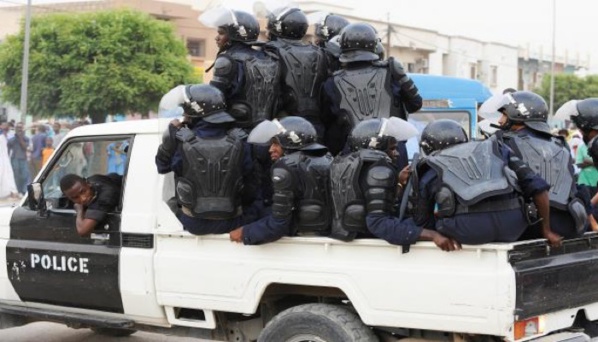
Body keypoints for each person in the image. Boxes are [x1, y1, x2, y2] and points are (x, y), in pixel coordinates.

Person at [407, 119, 561, 246]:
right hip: (514, 228)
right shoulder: (496, 149)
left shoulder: (431, 165)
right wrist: (546, 230)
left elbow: (421, 220)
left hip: (465, 232)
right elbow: (538, 187)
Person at [328, 117, 459, 250]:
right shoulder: (379, 170)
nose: (397, 154)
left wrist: (399, 184)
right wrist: (432, 235)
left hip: (349, 235)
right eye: (392, 149)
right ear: (376, 146)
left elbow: (370, 203)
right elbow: (378, 223)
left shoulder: (349, 164)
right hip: (369, 241)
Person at [483, 91, 590, 238]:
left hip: (526, 226)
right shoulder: (560, 143)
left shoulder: (503, 141)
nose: (501, 121)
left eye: (504, 115)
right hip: (568, 223)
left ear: (519, 114)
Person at [155, 84, 258, 235]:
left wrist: (169, 137)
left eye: (186, 111)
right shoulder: (241, 140)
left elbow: (162, 167)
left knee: (170, 203)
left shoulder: (181, 142)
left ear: (195, 111)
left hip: (192, 223)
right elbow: (251, 183)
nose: (184, 116)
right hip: (233, 222)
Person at [322, 22, 422, 160]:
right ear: (374, 44)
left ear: (343, 46)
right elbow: (416, 104)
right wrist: (401, 76)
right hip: (393, 151)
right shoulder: (391, 72)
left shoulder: (331, 82)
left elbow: (330, 129)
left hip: (354, 155)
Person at [230, 116, 333, 245]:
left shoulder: (285, 167)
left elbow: (278, 224)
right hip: (325, 233)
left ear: (290, 142)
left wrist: (246, 232)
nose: (270, 149)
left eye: (275, 143)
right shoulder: (327, 159)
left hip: (301, 240)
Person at [200, 8, 281, 129]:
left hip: (237, 132)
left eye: (221, 33)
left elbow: (213, 100)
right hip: (267, 131)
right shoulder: (270, 57)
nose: (216, 38)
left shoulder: (226, 61)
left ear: (235, 35)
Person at [264, 6, 328, 138]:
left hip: (282, 126)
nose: (266, 32)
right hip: (316, 126)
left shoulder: (270, 51)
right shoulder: (320, 53)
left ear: (278, 26)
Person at [60, 173, 123, 237]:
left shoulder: (105, 196)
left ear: (88, 184)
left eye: (83, 191)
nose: (83, 199)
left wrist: (79, 210)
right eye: (75, 198)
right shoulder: (92, 180)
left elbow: (82, 230)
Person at [7, 122, 30, 195]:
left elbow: (25, 147)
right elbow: (8, 150)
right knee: (16, 176)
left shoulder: (26, 138)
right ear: (15, 129)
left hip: (23, 159)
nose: (19, 129)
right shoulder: (11, 139)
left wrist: (20, 138)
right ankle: (18, 190)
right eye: (18, 127)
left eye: (21, 127)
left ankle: (23, 190)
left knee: (24, 175)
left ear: (23, 129)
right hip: (14, 159)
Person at [0, 122, 18, 199]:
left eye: (7, 126)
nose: (5, 127)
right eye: (4, 126)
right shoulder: (1, 137)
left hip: (9, 158)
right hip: (2, 158)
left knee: (8, 175)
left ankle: (11, 192)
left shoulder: (11, 136)